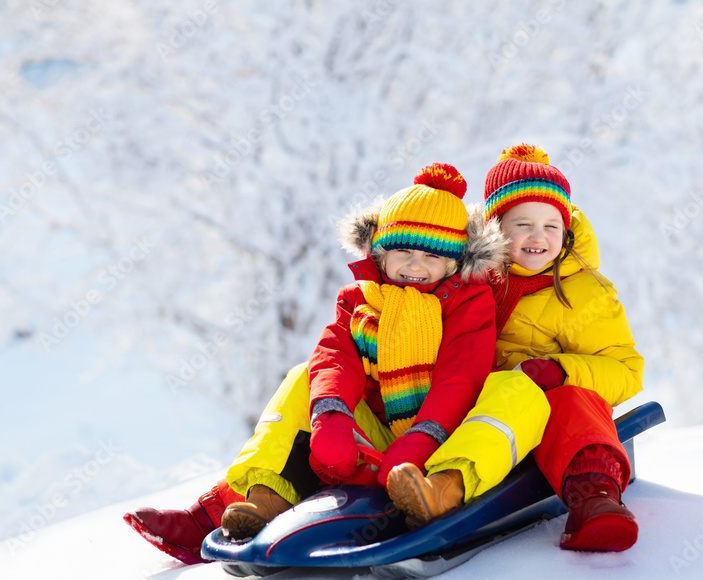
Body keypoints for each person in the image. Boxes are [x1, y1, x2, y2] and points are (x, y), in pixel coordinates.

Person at [126, 162, 536, 557]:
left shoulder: (468, 302)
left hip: (443, 440)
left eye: (432, 256)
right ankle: (266, 498)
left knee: (515, 389)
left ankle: (442, 490)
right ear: (379, 253)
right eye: (404, 251)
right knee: (302, 377)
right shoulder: (358, 300)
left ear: (453, 263)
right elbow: (334, 356)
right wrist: (331, 416)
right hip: (378, 446)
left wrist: (423, 438)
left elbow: (460, 377)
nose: (415, 265)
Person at [385, 144, 645, 552]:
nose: (538, 236)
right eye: (522, 224)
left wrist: (558, 371)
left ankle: (595, 500)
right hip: (459, 404)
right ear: (494, 228)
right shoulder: (467, 276)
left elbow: (625, 371)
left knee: (567, 402)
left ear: (567, 231)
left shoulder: (584, 293)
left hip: (539, 415)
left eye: (551, 225)